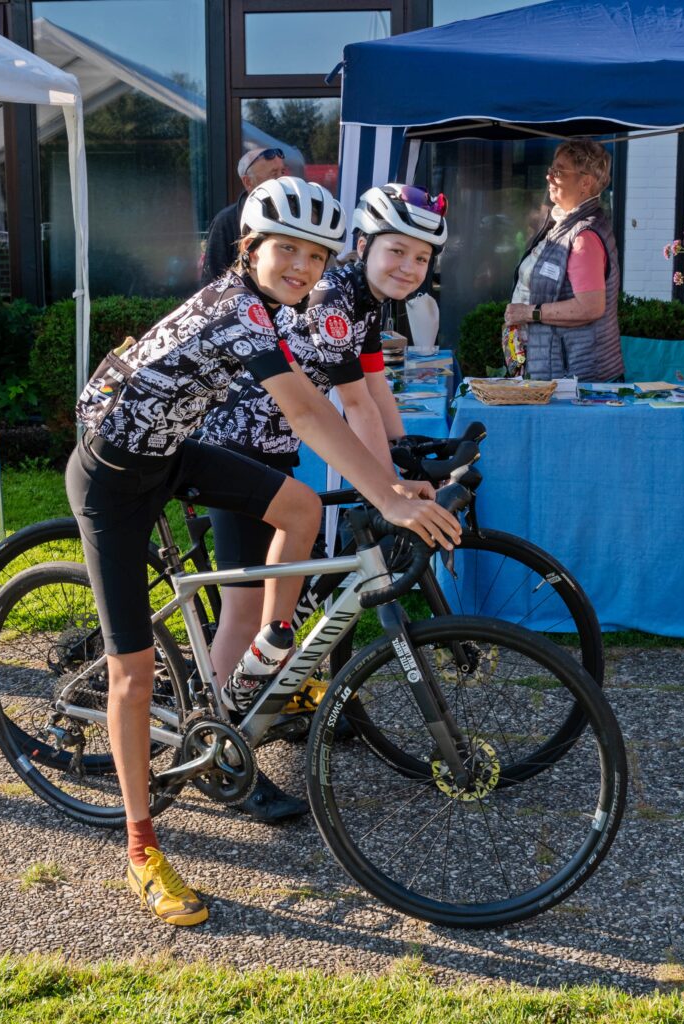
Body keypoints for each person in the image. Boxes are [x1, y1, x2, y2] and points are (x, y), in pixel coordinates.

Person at [65, 176, 461, 928]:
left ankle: (270, 648)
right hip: (111, 479)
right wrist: (386, 496)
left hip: (171, 454)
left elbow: (342, 399)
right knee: (134, 675)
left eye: (316, 256)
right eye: (288, 251)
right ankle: (142, 850)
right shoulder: (235, 310)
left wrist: (390, 482)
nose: (304, 269)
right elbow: (308, 410)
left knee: (300, 505)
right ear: (250, 248)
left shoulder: (269, 308)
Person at [200, 182, 448, 766]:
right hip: (230, 446)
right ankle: (218, 750)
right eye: (397, 251)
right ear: (363, 245)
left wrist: (401, 451)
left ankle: (286, 695)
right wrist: (388, 492)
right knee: (244, 610)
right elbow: (351, 406)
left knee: (288, 580)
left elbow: (374, 386)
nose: (410, 267)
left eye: (422, 257)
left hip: (271, 446)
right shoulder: (332, 299)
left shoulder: (362, 298)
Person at [503, 139, 622, 382]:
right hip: (558, 371)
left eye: (558, 171)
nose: (549, 177)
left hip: (576, 379)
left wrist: (529, 313)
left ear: (585, 183)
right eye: (550, 169)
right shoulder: (562, 223)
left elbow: (591, 307)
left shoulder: (583, 237)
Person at [200, 146, 286, 285]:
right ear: (248, 182)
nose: (282, 179)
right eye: (274, 173)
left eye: (283, 171)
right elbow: (211, 281)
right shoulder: (227, 221)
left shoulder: (297, 214)